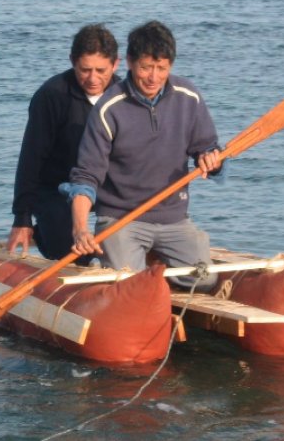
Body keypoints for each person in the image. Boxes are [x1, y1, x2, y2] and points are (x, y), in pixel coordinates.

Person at [61, 20, 223, 290]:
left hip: (174, 218)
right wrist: (80, 229)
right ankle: (122, 272)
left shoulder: (188, 96)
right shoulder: (108, 109)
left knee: (205, 280)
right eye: (146, 67)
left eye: (162, 68)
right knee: (130, 285)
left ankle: (157, 276)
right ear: (129, 62)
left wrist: (211, 158)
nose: (153, 77)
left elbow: (208, 148)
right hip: (122, 219)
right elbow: (86, 177)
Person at [7, 23, 120, 263]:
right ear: (72, 61)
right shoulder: (51, 95)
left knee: (119, 247)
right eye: (85, 69)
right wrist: (22, 219)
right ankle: (45, 234)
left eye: (101, 70)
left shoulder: (123, 95)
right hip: (56, 188)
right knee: (75, 254)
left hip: (105, 187)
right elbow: (31, 159)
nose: (93, 78)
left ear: (115, 64)